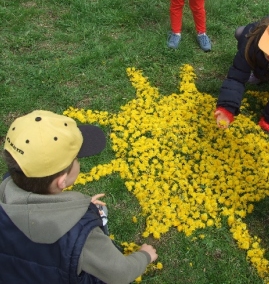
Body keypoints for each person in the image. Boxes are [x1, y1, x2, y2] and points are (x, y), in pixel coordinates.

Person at [0, 110, 158, 284]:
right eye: (76, 159)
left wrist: (75, 206)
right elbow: (119, 273)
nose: (78, 161)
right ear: (62, 181)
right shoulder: (81, 233)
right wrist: (144, 256)